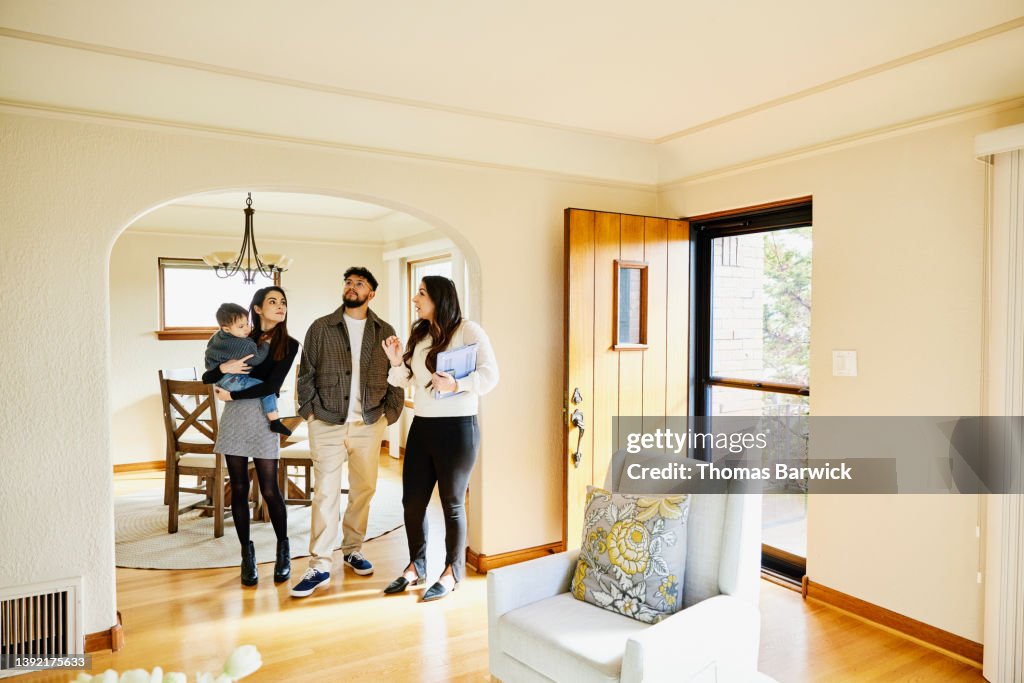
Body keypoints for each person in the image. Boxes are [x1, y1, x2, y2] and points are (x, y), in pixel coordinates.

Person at [381, 275, 499, 601]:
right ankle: (416, 567)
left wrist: (457, 384)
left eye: (421, 293)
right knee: (412, 501)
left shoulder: (468, 330)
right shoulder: (419, 334)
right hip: (422, 426)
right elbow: (406, 379)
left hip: (458, 428)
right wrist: (394, 358)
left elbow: (491, 375)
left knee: (452, 503)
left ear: (439, 298)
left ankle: (452, 572)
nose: (415, 299)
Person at [289, 267, 405, 598]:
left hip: (369, 423)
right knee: (325, 492)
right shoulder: (321, 327)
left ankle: (353, 548)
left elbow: (397, 371)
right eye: (348, 282)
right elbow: (305, 373)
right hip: (326, 420)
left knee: (363, 489)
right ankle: (320, 563)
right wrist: (309, 412)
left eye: (359, 284)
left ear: (372, 293)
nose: (351, 287)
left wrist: (390, 415)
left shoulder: (385, 331)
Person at [202, 286, 299, 587]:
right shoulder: (241, 336)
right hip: (234, 422)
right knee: (240, 487)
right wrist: (223, 367)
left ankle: (284, 549)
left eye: (283, 301)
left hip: (262, 419)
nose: (280, 306)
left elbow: (271, 385)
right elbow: (208, 377)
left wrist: (230, 394)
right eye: (273, 301)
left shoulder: (290, 344)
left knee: (270, 489)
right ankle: (247, 554)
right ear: (257, 309)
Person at [205, 302, 291, 437]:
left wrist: (221, 368)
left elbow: (208, 371)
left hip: (222, 382)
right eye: (241, 326)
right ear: (226, 329)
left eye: (247, 323)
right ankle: (275, 421)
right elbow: (256, 358)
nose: (247, 328)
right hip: (234, 381)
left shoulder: (217, 337)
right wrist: (266, 345)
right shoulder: (241, 344)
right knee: (268, 391)